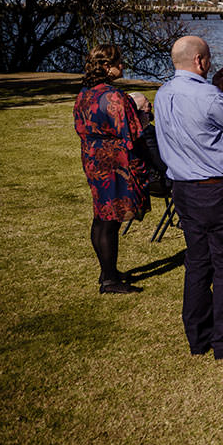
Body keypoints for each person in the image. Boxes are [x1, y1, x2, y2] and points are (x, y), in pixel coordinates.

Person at [155, 35, 223, 359]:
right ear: (200, 62)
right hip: (216, 188)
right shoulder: (208, 96)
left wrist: (220, 92)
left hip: (183, 188)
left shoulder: (163, 94)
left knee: (198, 262)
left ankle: (198, 336)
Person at [74, 44, 147, 295]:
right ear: (106, 66)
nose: (122, 66)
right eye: (118, 62)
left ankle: (108, 271)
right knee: (110, 220)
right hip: (113, 161)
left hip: (92, 157)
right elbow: (133, 133)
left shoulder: (85, 93)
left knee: (101, 216)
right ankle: (109, 281)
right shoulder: (114, 96)